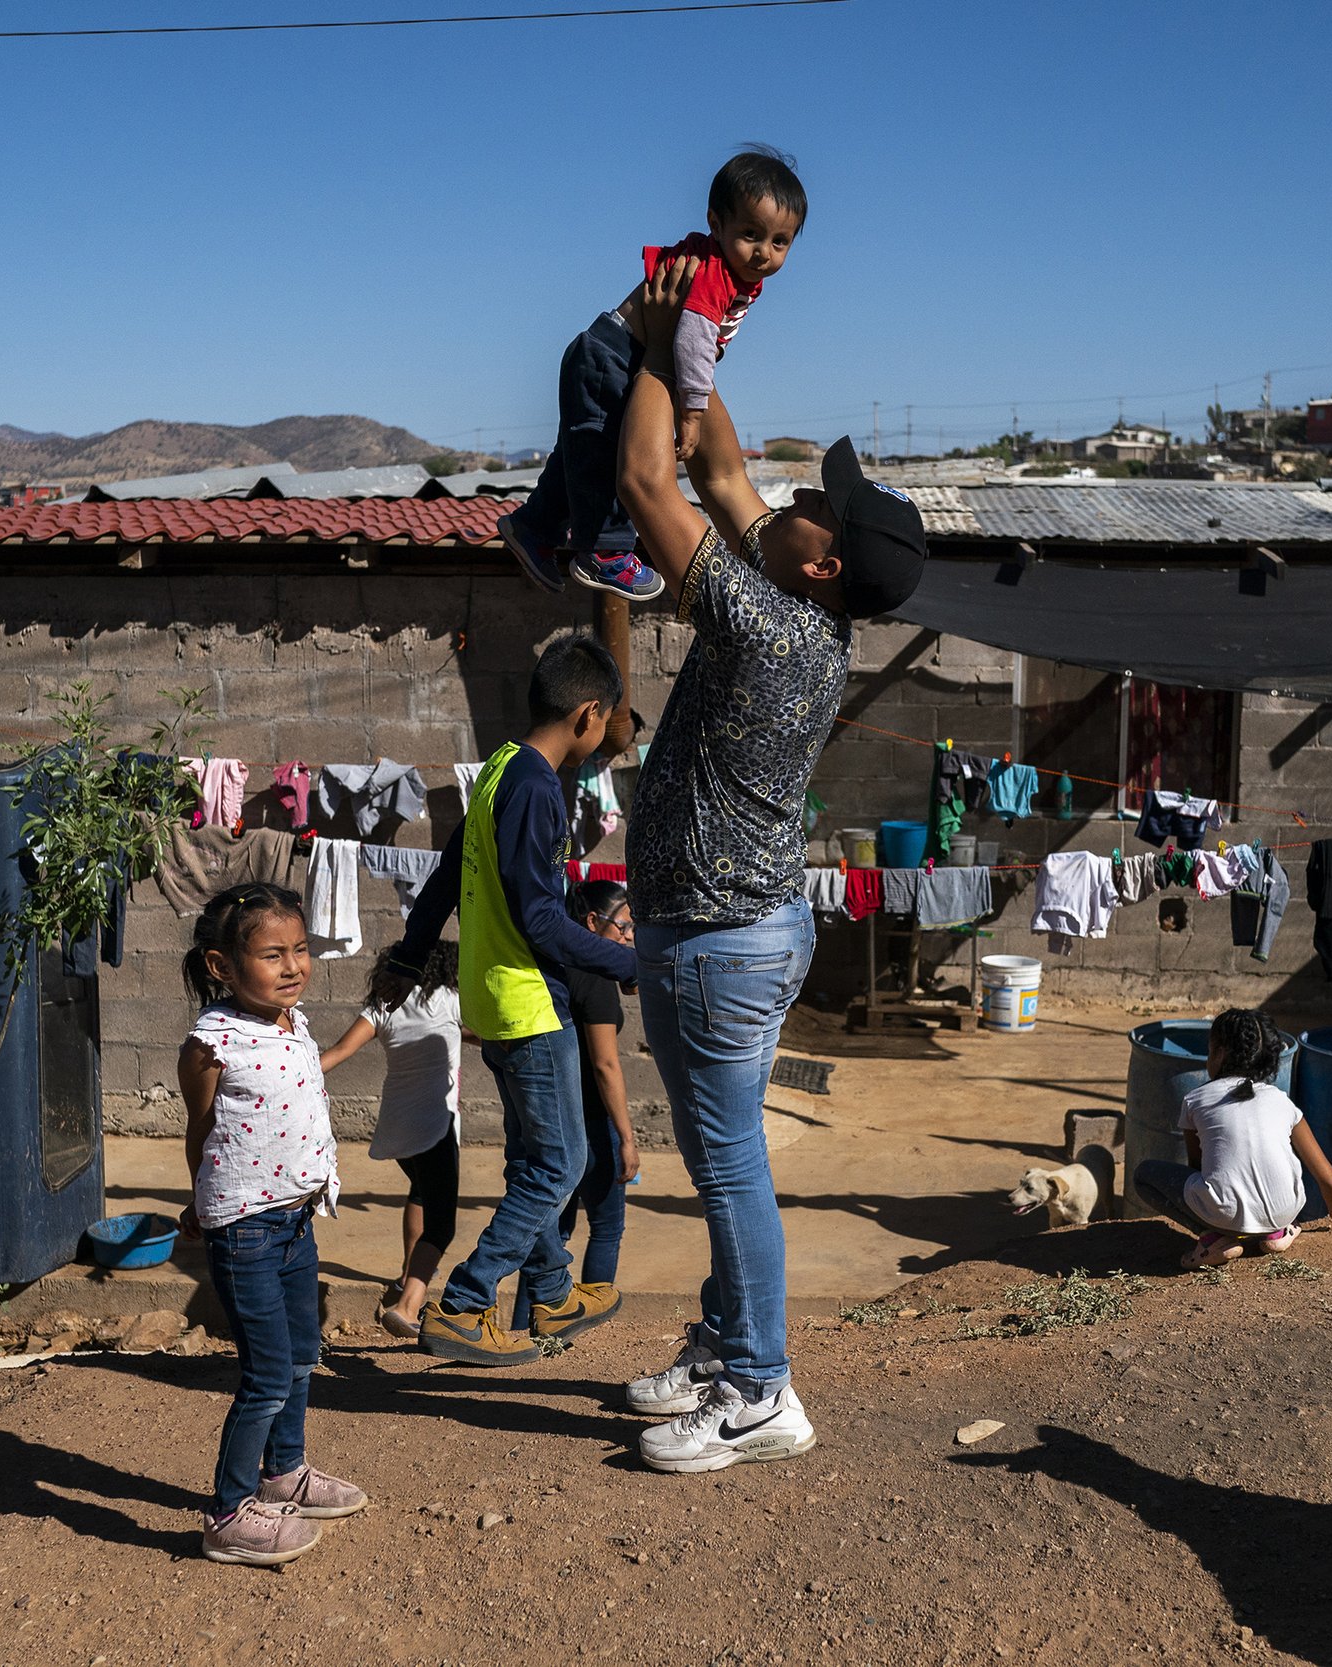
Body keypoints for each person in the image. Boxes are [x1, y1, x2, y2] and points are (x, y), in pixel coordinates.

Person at [608, 254, 931, 1474]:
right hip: (736, 930)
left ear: (823, 558)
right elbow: (717, 466)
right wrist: (703, 329)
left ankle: (760, 1388)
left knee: (730, 1169)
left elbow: (649, 477)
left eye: (821, 502)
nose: (799, 491)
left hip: (714, 944)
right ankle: (727, 1340)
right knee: (720, 1161)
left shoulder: (769, 624)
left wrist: (649, 346)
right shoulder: (795, 591)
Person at [380, 635, 641, 1367]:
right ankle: (466, 1301)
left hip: (497, 1002)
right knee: (561, 1164)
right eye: (607, 724)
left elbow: (442, 877)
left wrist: (408, 955)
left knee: (535, 1156)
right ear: (590, 713)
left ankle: (553, 1291)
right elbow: (542, 919)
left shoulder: (500, 768)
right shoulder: (534, 786)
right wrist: (626, 961)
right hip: (528, 1006)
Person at [497, 145, 807, 604]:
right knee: (610, 455)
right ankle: (605, 551)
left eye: (779, 242)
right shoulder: (714, 273)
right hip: (615, 357)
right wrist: (693, 412)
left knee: (580, 457)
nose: (763, 252)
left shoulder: (736, 271)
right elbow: (693, 341)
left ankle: (534, 526)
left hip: (607, 354)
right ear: (716, 224)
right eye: (750, 234)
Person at [176, 882, 369, 1568]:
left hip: (295, 1221)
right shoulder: (210, 1042)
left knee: (298, 1357)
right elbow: (200, 1131)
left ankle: (285, 1473)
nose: (292, 965)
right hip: (246, 1229)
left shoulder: (296, 1020)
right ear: (223, 964)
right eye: (271, 953)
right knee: (264, 1375)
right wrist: (198, 1200)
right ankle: (227, 1515)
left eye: (300, 949)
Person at [1130, 1008, 1332, 1270]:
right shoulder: (1282, 1102)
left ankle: (1212, 1239)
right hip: (1286, 1210)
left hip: (1224, 1213)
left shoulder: (1196, 1100)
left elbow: (1198, 1166)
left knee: (1144, 1174)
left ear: (1219, 1052)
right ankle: (1275, 1234)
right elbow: (1327, 1178)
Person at [509, 879, 641, 1333]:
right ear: (592, 922)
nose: (628, 938)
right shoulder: (596, 978)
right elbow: (606, 1065)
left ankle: (531, 1325)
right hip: (589, 1122)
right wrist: (626, 1136)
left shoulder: (552, 964)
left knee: (549, 1230)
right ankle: (588, 1326)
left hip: (549, 1118)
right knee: (606, 1228)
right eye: (623, 926)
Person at [318, 940, 465, 1340]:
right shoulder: (450, 1000)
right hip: (435, 1128)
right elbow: (489, 1035)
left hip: (398, 1128)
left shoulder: (384, 1007)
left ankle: (405, 1275)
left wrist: (292, 1074)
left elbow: (340, 1050)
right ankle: (407, 1306)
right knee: (442, 1226)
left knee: (421, 1191)